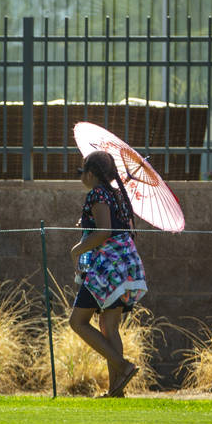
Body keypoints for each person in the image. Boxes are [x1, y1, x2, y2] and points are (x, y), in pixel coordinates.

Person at [69, 150, 148, 398]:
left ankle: (123, 367)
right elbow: (114, 226)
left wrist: (77, 250)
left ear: (91, 174)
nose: (81, 178)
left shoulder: (97, 193)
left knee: (78, 322)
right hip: (127, 265)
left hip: (108, 269)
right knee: (108, 326)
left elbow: (104, 232)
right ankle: (116, 390)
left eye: (83, 173)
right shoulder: (116, 195)